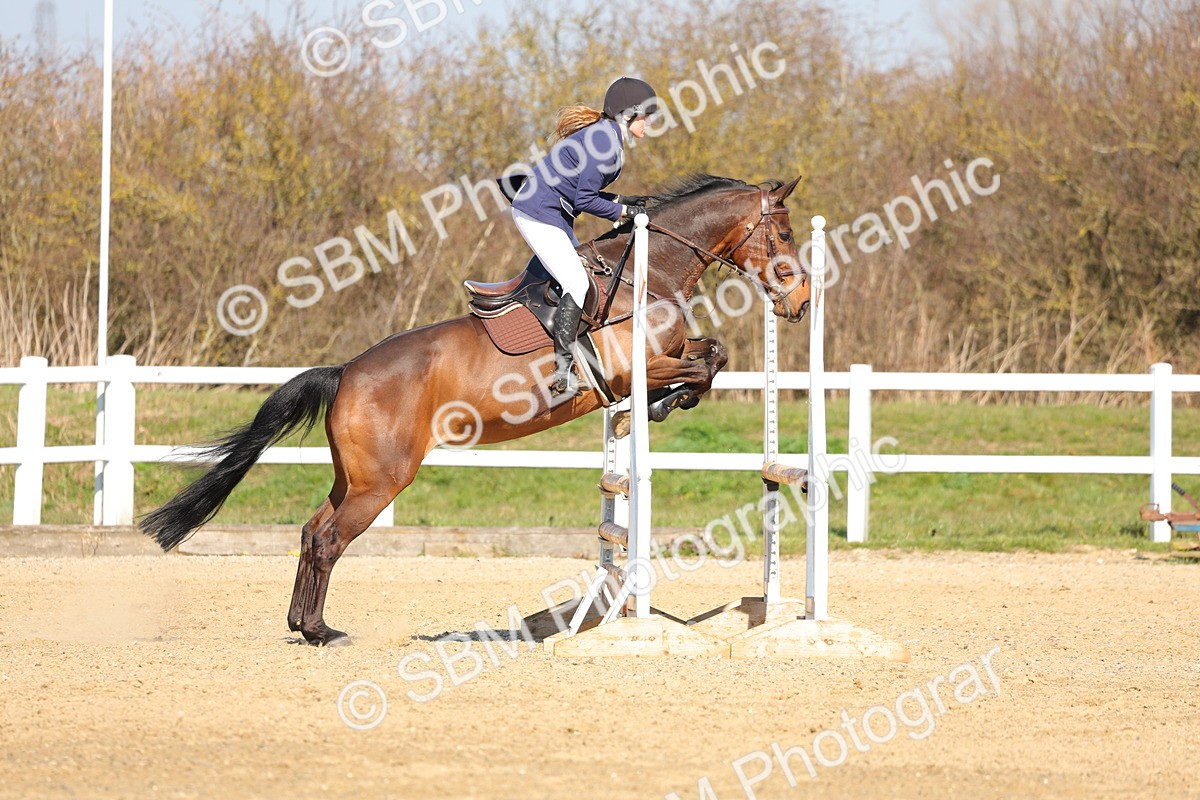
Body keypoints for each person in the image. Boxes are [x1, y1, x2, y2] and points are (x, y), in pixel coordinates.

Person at [508, 76, 658, 398]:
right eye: (645, 115)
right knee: (577, 283)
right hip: (537, 213)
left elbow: (586, 192)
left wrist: (624, 201)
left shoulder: (607, 136)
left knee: (585, 277)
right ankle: (561, 371)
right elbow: (585, 200)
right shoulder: (604, 140)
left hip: (554, 214)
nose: (649, 123)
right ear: (628, 114)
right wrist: (624, 214)